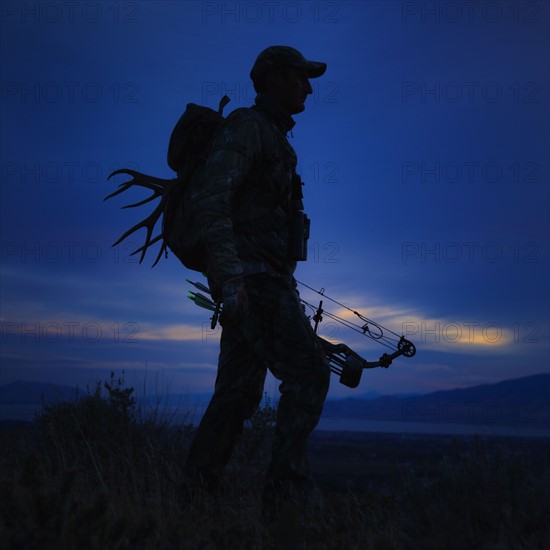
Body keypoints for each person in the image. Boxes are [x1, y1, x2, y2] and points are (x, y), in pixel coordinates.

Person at [184, 46, 330, 516]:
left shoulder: (275, 137)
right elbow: (211, 198)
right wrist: (231, 279)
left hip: (259, 285)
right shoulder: (248, 127)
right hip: (252, 284)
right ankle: (284, 506)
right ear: (272, 79)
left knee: (236, 396)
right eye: (300, 77)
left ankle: (193, 501)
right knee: (308, 374)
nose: (308, 87)